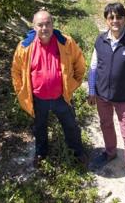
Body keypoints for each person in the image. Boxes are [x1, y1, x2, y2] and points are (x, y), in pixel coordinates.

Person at [11, 9, 87, 168]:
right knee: (40, 128)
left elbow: (79, 63)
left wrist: (73, 84)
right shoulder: (25, 47)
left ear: (53, 25)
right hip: (38, 99)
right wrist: (21, 92)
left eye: (47, 24)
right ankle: (41, 154)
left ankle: (77, 153)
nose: (44, 28)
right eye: (40, 25)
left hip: (61, 97)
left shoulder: (66, 42)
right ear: (34, 27)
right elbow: (16, 72)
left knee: (71, 126)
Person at [87, 2, 125, 197]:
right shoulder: (100, 41)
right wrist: (91, 90)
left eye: (119, 17)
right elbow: (94, 67)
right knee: (105, 124)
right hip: (102, 96)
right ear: (106, 20)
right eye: (111, 17)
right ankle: (110, 152)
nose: (115, 21)